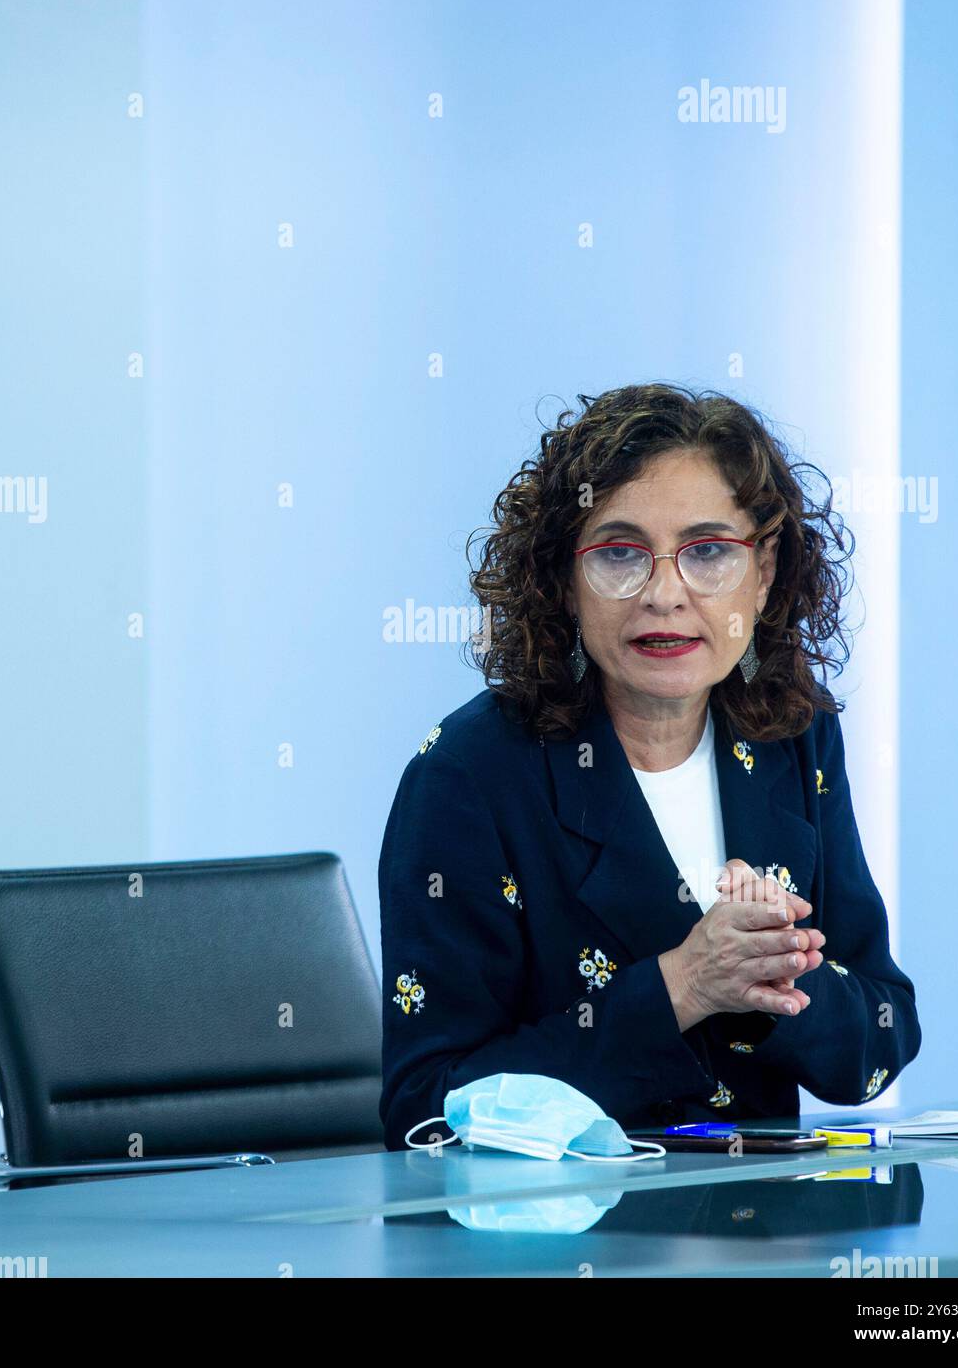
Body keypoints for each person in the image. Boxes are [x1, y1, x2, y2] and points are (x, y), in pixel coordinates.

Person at [377, 383, 921, 1149]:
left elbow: (879, 1044)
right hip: (565, 1249)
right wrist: (684, 984)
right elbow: (428, 1110)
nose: (664, 593)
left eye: (706, 552)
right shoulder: (471, 775)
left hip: (760, 1239)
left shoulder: (789, 735)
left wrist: (781, 973)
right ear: (561, 580)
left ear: (763, 572)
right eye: (619, 554)